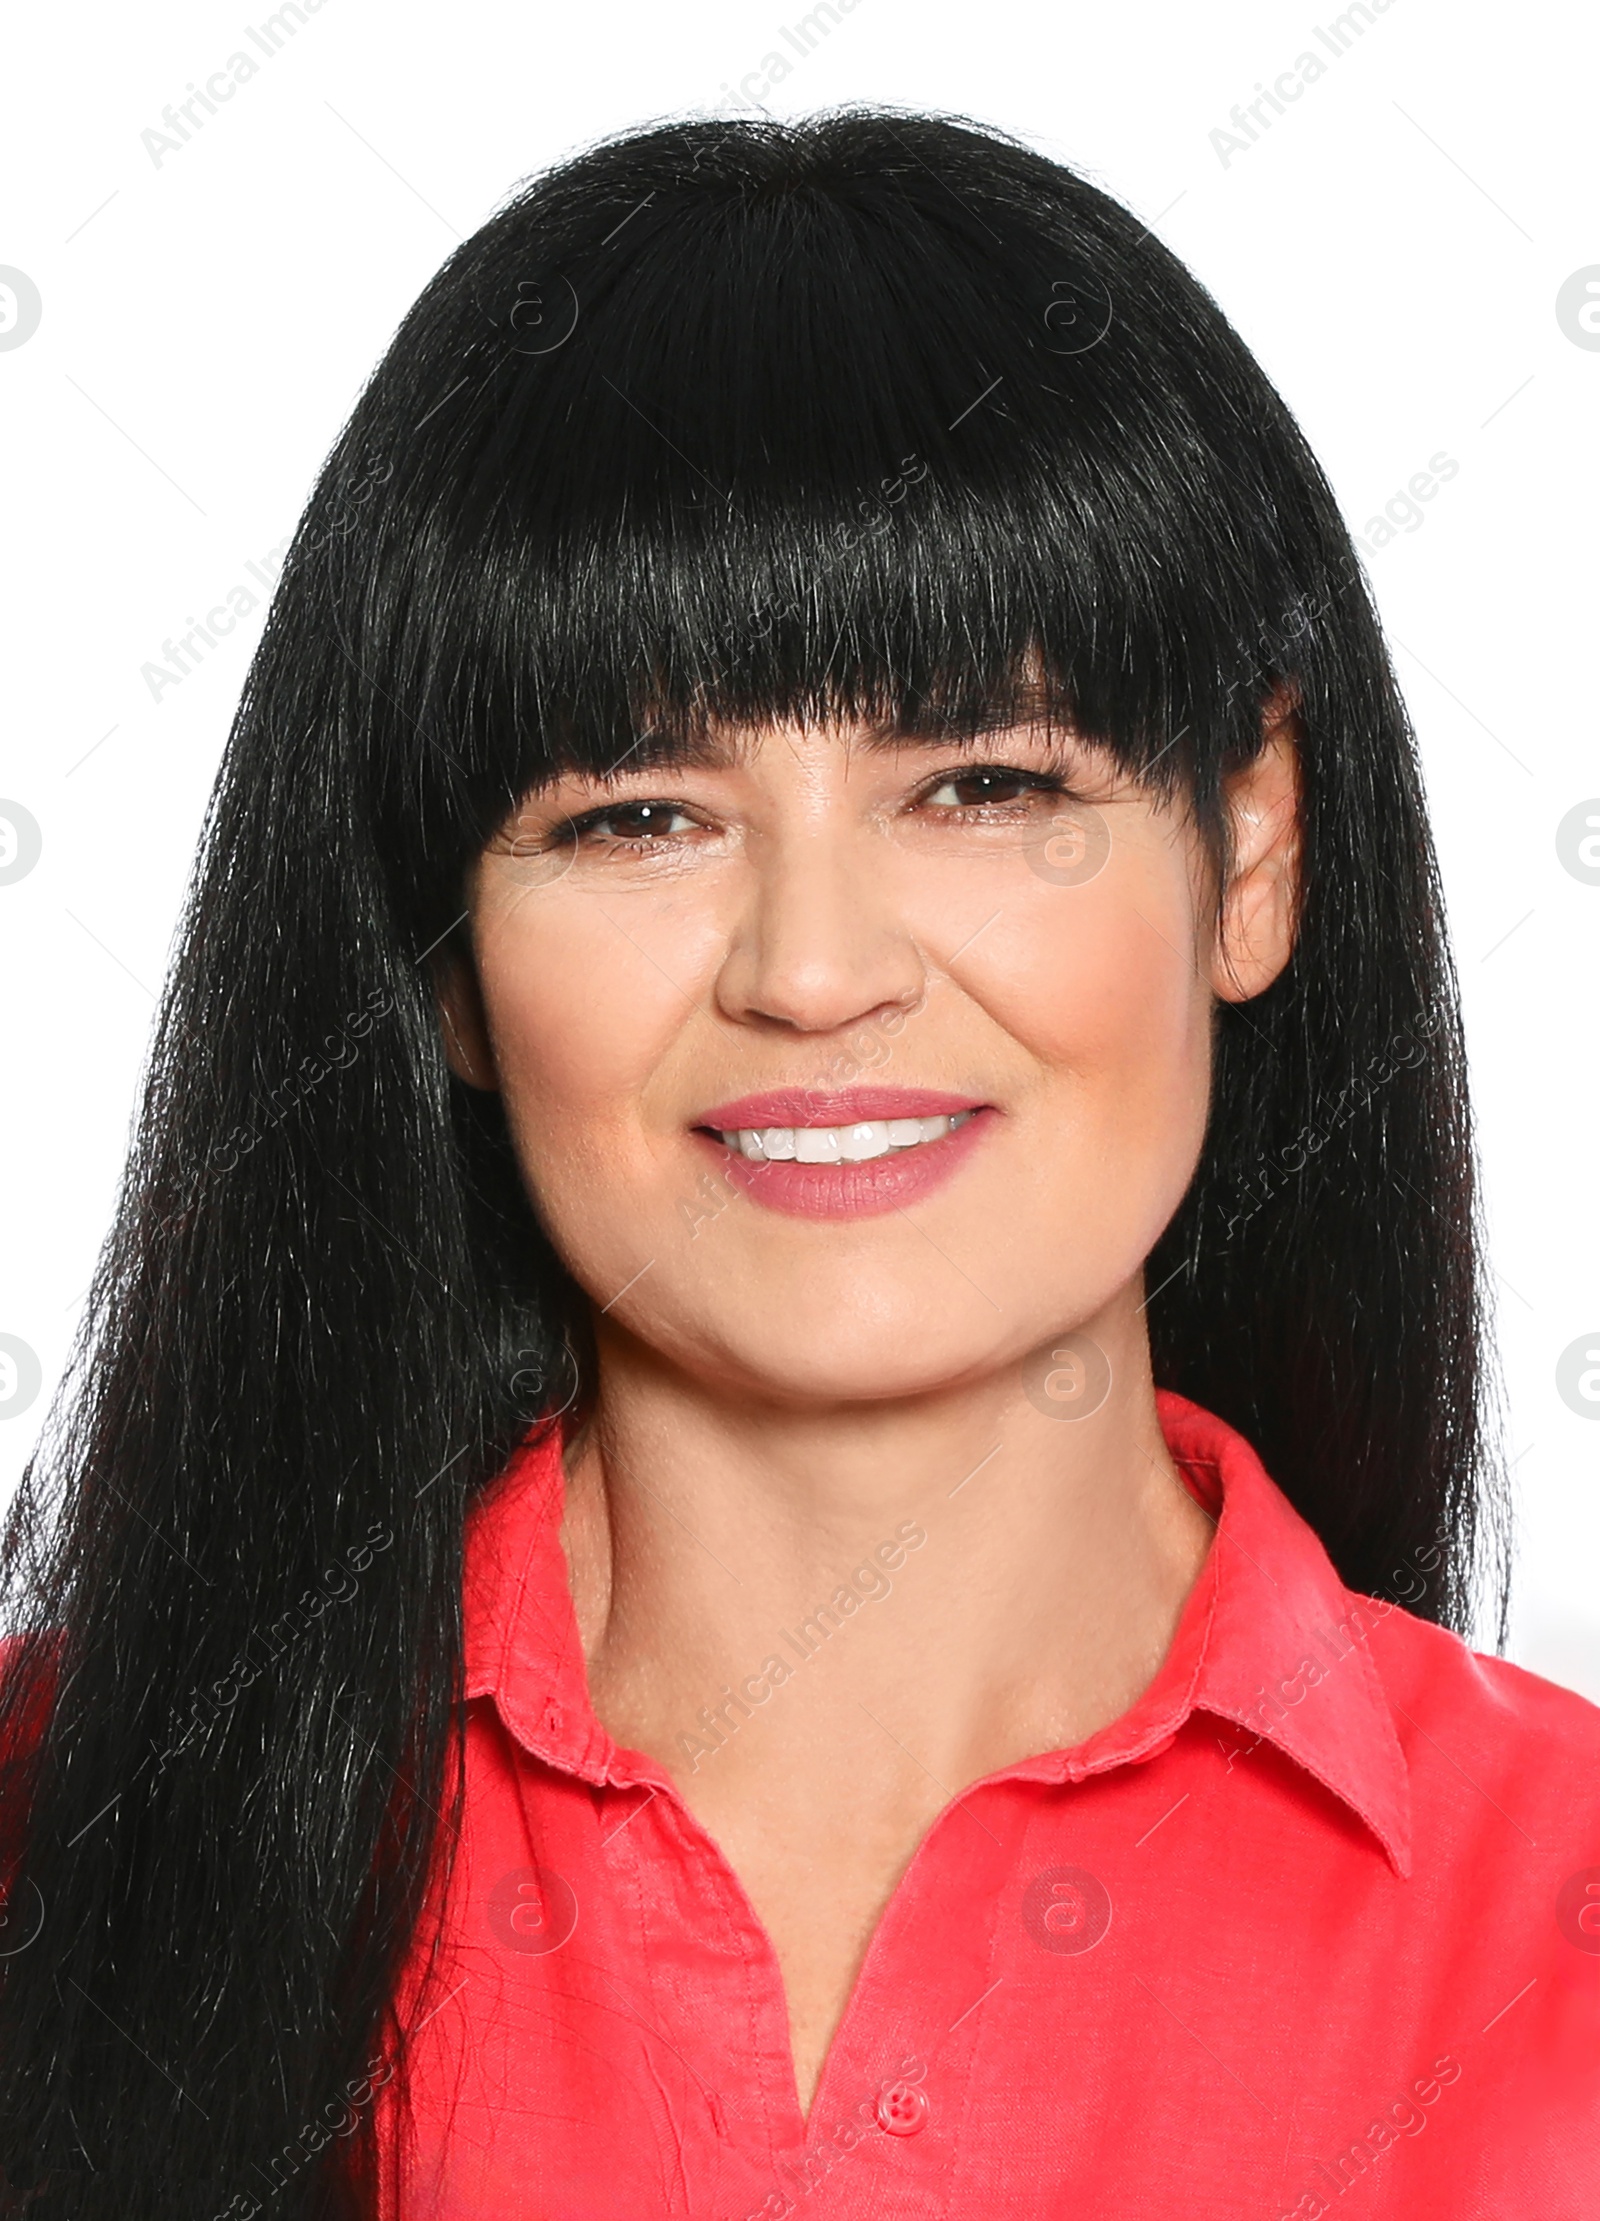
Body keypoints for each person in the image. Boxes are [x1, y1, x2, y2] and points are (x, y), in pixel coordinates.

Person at [1, 109, 1595, 2221]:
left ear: (1252, 849)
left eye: (985, 781)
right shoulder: (52, 1838)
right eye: (634, 816)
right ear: (445, 958)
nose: (815, 972)